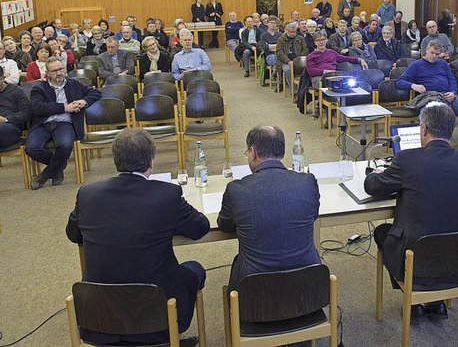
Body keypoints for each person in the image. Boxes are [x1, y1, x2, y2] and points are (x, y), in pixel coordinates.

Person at [66, 128, 209, 346]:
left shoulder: (87, 194)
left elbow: (73, 234)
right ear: (151, 160)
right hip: (158, 318)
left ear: (115, 160)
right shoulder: (167, 195)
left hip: (99, 318)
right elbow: (200, 228)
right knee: (195, 270)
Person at [365, 102, 458, 319]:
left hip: (416, 257)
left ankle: (414, 297)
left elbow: (373, 187)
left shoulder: (406, 159)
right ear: (452, 129)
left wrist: (374, 173)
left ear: (424, 129)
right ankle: (436, 303)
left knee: (383, 232)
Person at [217, 125, 321, 291]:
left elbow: (225, 226)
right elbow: (313, 216)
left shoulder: (237, 190)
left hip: (254, 296)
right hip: (308, 289)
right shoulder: (307, 182)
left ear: (253, 152)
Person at [26, 56, 101, 190]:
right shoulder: (39, 88)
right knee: (31, 148)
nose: (59, 73)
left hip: (65, 124)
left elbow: (96, 93)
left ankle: (45, 175)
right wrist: (64, 108)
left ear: (65, 69)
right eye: (54, 71)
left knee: (65, 145)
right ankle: (59, 165)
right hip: (43, 124)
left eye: (61, 69)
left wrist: (83, 102)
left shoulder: (74, 84)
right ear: (47, 73)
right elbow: (38, 108)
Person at [397, 40, 458, 144]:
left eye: (437, 54)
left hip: (448, 95)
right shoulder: (416, 65)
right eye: (432, 53)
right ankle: (438, 144)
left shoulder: (443, 64)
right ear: (426, 50)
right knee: (441, 111)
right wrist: (414, 85)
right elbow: (400, 82)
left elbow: (452, 80)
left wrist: (453, 92)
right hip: (430, 96)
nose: (434, 56)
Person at [0, 67, 32, 148]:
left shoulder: (17, 91)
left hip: (11, 127)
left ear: (3, 77)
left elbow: (27, 113)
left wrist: (5, 119)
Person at [276, 21, 309, 94]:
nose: (292, 33)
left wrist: (299, 59)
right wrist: (288, 61)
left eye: (294, 32)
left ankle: (305, 88)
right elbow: (279, 52)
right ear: (286, 31)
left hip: (299, 61)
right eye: (290, 32)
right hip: (285, 62)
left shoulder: (300, 38)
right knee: (288, 70)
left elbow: (306, 49)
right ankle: (295, 90)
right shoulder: (281, 39)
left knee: (308, 69)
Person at [258, 15, 282, 82]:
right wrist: (276, 46)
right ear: (267, 23)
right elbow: (264, 47)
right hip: (269, 56)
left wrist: (270, 46)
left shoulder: (280, 34)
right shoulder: (263, 35)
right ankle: (276, 75)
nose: (273, 25)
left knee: (278, 57)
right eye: (271, 23)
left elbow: (282, 46)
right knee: (275, 57)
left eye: (274, 23)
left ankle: (275, 73)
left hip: (279, 55)